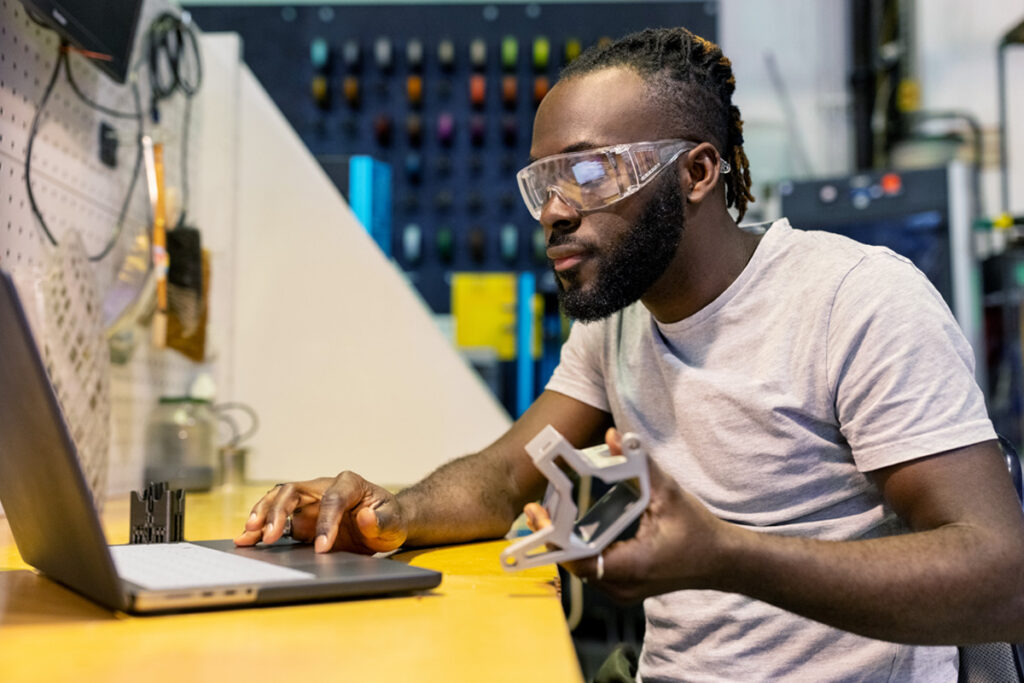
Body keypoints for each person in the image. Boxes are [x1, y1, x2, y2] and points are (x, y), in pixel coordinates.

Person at [235, 27, 1024, 681]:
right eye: (544, 179)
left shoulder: (855, 301)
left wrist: (723, 556)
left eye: (587, 171)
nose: (552, 209)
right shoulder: (621, 320)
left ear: (698, 172)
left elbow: (1000, 579)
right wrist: (385, 513)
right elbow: (508, 475)